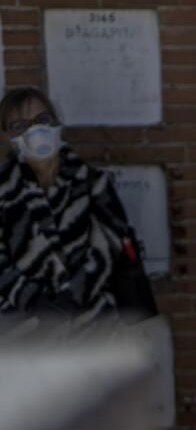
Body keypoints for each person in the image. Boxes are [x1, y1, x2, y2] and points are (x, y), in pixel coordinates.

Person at [0, 86, 149, 337]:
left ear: (57, 123)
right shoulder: (4, 190)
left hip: (95, 327)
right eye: (20, 125)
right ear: (6, 136)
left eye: (42, 120)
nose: (34, 131)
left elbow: (110, 244)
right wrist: (36, 301)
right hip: (25, 331)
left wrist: (74, 295)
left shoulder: (92, 182)